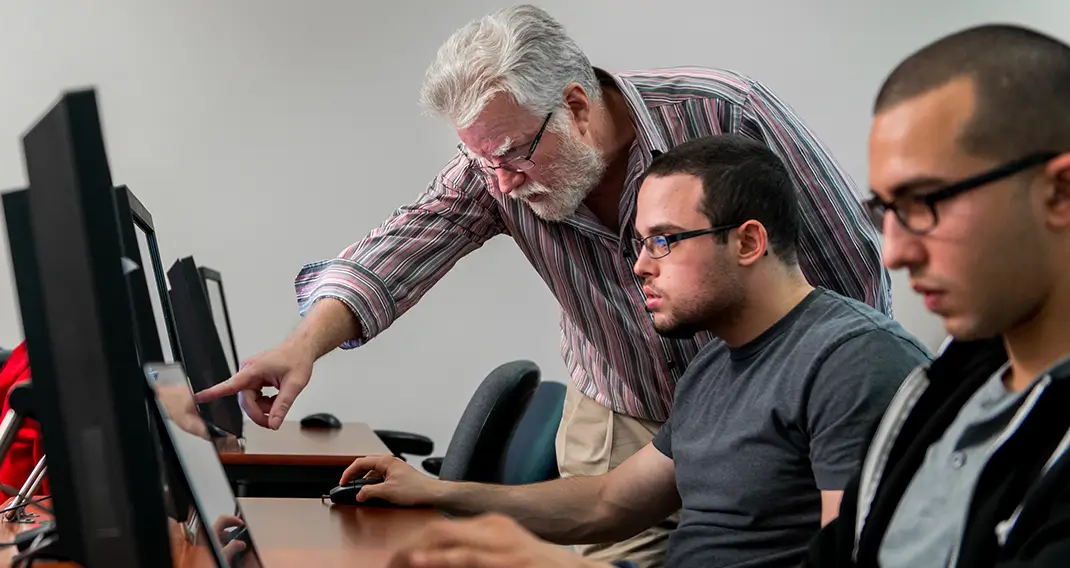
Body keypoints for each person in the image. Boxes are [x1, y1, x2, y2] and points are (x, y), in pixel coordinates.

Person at [198, 5, 888, 564]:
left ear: (577, 106)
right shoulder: (495, 169)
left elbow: (850, 270)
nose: (499, 183)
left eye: (510, 156)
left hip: (776, 409)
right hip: (629, 409)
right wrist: (304, 349)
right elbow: (399, 249)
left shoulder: (724, 116)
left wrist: (821, 403)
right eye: (476, 159)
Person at [348, 134, 928, 568]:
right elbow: (608, 503)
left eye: (665, 242)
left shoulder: (855, 362)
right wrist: (438, 493)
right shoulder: (715, 364)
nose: (640, 265)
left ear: (749, 241)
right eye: (641, 242)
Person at [805, 24, 1070, 568]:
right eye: (885, 210)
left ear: (1060, 193)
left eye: (923, 201)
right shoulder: (932, 391)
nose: (894, 254)